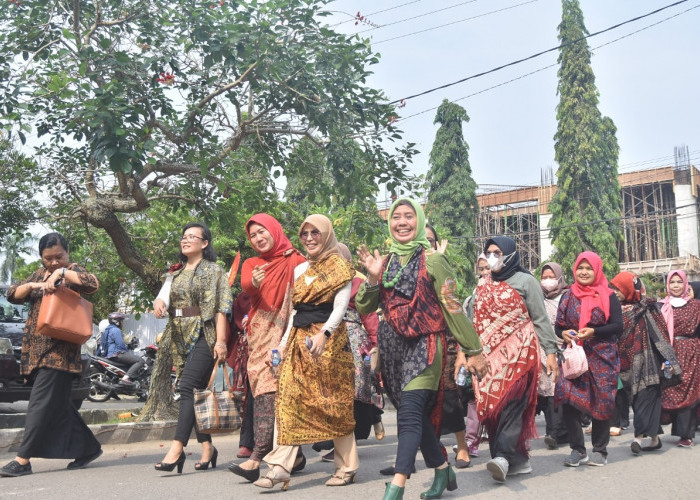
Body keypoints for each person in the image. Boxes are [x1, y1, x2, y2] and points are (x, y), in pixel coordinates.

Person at [356, 198, 487, 500]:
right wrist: (373, 277)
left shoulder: (435, 260)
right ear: (389, 222)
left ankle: (398, 483)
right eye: (396, 217)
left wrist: (473, 349)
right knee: (414, 414)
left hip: (426, 345)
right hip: (392, 351)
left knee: (410, 412)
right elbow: (364, 305)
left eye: (409, 216)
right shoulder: (384, 263)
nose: (402, 222)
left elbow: (453, 307)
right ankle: (443, 469)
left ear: (420, 221)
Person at [254, 214, 357, 490]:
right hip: (300, 341)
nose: (310, 239)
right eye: (305, 234)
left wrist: (324, 334)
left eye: (316, 233)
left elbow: (340, 306)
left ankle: (347, 467)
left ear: (327, 235)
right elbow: (296, 313)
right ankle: (279, 468)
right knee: (287, 399)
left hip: (330, 343)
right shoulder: (300, 270)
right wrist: (282, 343)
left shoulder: (340, 265)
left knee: (334, 406)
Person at [0, 232, 102, 477]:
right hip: (35, 354)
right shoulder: (38, 273)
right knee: (57, 407)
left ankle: (22, 460)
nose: (54, 262)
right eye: (48, 259)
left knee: (39, 405)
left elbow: (92, 284)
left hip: (59, 353)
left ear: (67, 253)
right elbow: (12, 293)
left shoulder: (73, 270)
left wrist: (62, 274)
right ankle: (87, 448)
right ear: (41, 257)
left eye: (59, 256)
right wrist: (36, 284)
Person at [472, 236, 559, 483]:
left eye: (497, 252)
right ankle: (518, 461)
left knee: (511, 406)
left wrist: (551, 353)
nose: (492, 256)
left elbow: (540, 319)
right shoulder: (481, 285)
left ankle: (501, 456)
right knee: (492, 410)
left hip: (520, 355)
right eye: (488, 252)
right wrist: (466, 354)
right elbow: (473, 323)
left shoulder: (526, 282)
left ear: (510, 254)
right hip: (487, 360)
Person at [229, 214, 307, 482]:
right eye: (253, 235)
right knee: (263, 392)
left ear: (274, 230)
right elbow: (247, 285)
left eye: (262, 232)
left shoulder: (296, 260)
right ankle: (292, 457)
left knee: (277, 395)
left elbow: (306, 296)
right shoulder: (252, 263)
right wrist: (256, 282)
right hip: (261, 336)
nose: (259, 238)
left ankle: (257, 459)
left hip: (290, 333)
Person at [154, 222, 233, 473]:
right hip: (179, 336)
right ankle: (208, 448)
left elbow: (222, 307)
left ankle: (177, 449)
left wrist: (221, 341)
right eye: (184, 236)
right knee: (196, 391)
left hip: (205, 334)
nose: (185, 240)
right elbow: (163, 295)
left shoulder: (214, 271)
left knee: (186, 387)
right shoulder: (175, 273)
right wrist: (158, 302)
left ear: (205, 243)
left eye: (192, 236)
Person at [555, 251, 622, 467]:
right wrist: (564, 333)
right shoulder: (568, 295)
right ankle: (577, 450)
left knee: (601, 401)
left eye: (589, 268)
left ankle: (599, 450)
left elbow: (617, 326)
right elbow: (559, 325)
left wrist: (594, 332)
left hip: (602, 357)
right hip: (575, 357)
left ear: (597, 270)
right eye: (580, 268)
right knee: (569, 401)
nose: (584, 272)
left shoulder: (609, 295)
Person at [610, 271, 680, 454]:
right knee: (637, 401)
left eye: (619, 288)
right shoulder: (615, 310)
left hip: (650, 363)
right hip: (626, 364)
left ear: (628, 288)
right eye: (614, 288)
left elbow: (661, 335)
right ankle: (655, 439)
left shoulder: (647, 309)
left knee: (645, 400)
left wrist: (667, 359)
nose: (615, 291)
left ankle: (638, 439)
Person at [425, 224, 471, 469]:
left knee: (450, 397)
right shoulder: (400, 269)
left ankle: (462, 447)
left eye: (429, 240)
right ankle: (416, 454)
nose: (424, 245)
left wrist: (464, 351)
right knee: (416, 402)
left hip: (446, 343)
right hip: (416, 345)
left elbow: (456, 311)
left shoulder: (442, 268)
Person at [658, 270, 700, 447]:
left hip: (691, 352)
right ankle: (660, 429)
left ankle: (687, 434)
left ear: (685, 284)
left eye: (679, 282)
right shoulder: (662, 306)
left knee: (689, 390)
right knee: (669, 387)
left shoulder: (696, 306)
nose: (676, 285)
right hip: (669, 352)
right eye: (672, 282)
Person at [539, 262, 569, 449]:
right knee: (547, 391)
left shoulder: (568, 297)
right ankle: (554, 431)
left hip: (564, 347)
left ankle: (559, 432)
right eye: (544, 277)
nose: (547, 281)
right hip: (543, 348)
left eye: (551, 276)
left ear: (559, 278)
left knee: (559, 389)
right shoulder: (538, 298)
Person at [100, 311, 145, 386]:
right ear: (117, 322)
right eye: (122, 321)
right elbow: (120, 345)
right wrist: (126, 350)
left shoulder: (108, 330)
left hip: (111, 355)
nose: (123, 323)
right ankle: (125, 378)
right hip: (117, 354)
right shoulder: (116, 330)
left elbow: (104, 344)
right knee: (140, 361)